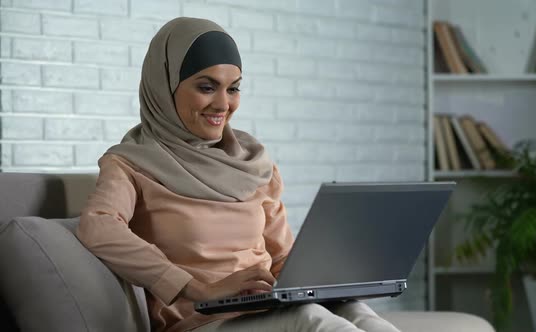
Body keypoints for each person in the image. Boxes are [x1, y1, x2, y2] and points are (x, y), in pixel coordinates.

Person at [76, 17, 400, 332]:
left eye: (233, 89)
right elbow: (98, 226)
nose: (223, 104)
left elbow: (281, 256)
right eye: (207, 87)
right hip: (199, 322)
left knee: (354, 309)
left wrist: (322, 283)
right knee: (312, 321)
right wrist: (197, 288)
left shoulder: (252, 162)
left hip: (263, 310)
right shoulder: (130, 163)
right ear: (165, 85)